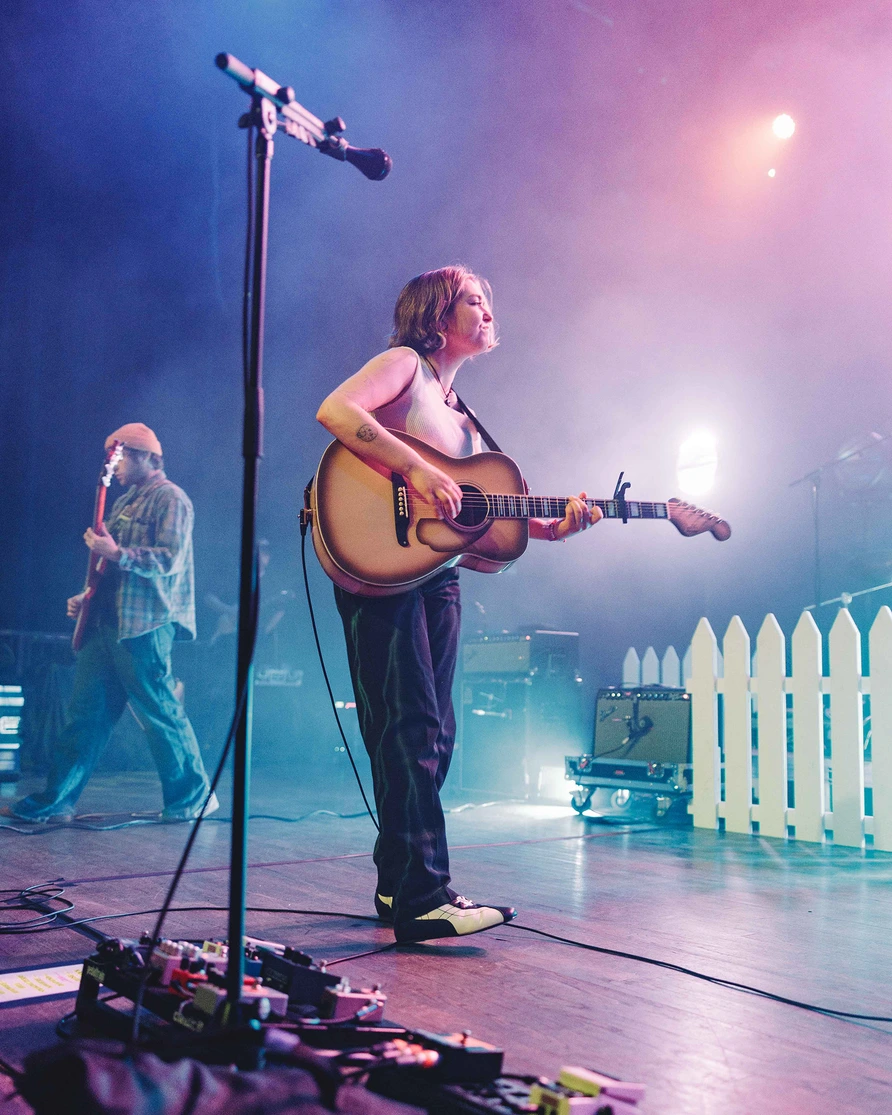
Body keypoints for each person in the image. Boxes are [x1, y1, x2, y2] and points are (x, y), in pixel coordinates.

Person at [316, 266, 600, 943]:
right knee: (409, 723)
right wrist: (414, 467)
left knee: (431, 732)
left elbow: (478, 511)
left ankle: (397, 882)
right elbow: (337, 411)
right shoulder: (404, 367)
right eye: (475, 299)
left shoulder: (464, 416)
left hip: (436, 573)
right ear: (438, 314)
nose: (489, 309)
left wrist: (549, 525)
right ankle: (425, 896)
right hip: (378, 561)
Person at [6, 423, 217, 824]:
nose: (114, 466)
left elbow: (168, 560)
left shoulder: (171, 499)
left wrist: (118, 552)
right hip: (106, 622)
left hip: (146, 625)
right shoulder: (122, 503)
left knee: (159, 713)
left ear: (147, 457)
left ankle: (192, 797)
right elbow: (108, 564)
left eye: (121, 457)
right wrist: (86, 597)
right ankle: (58, 800)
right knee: (84, 716)